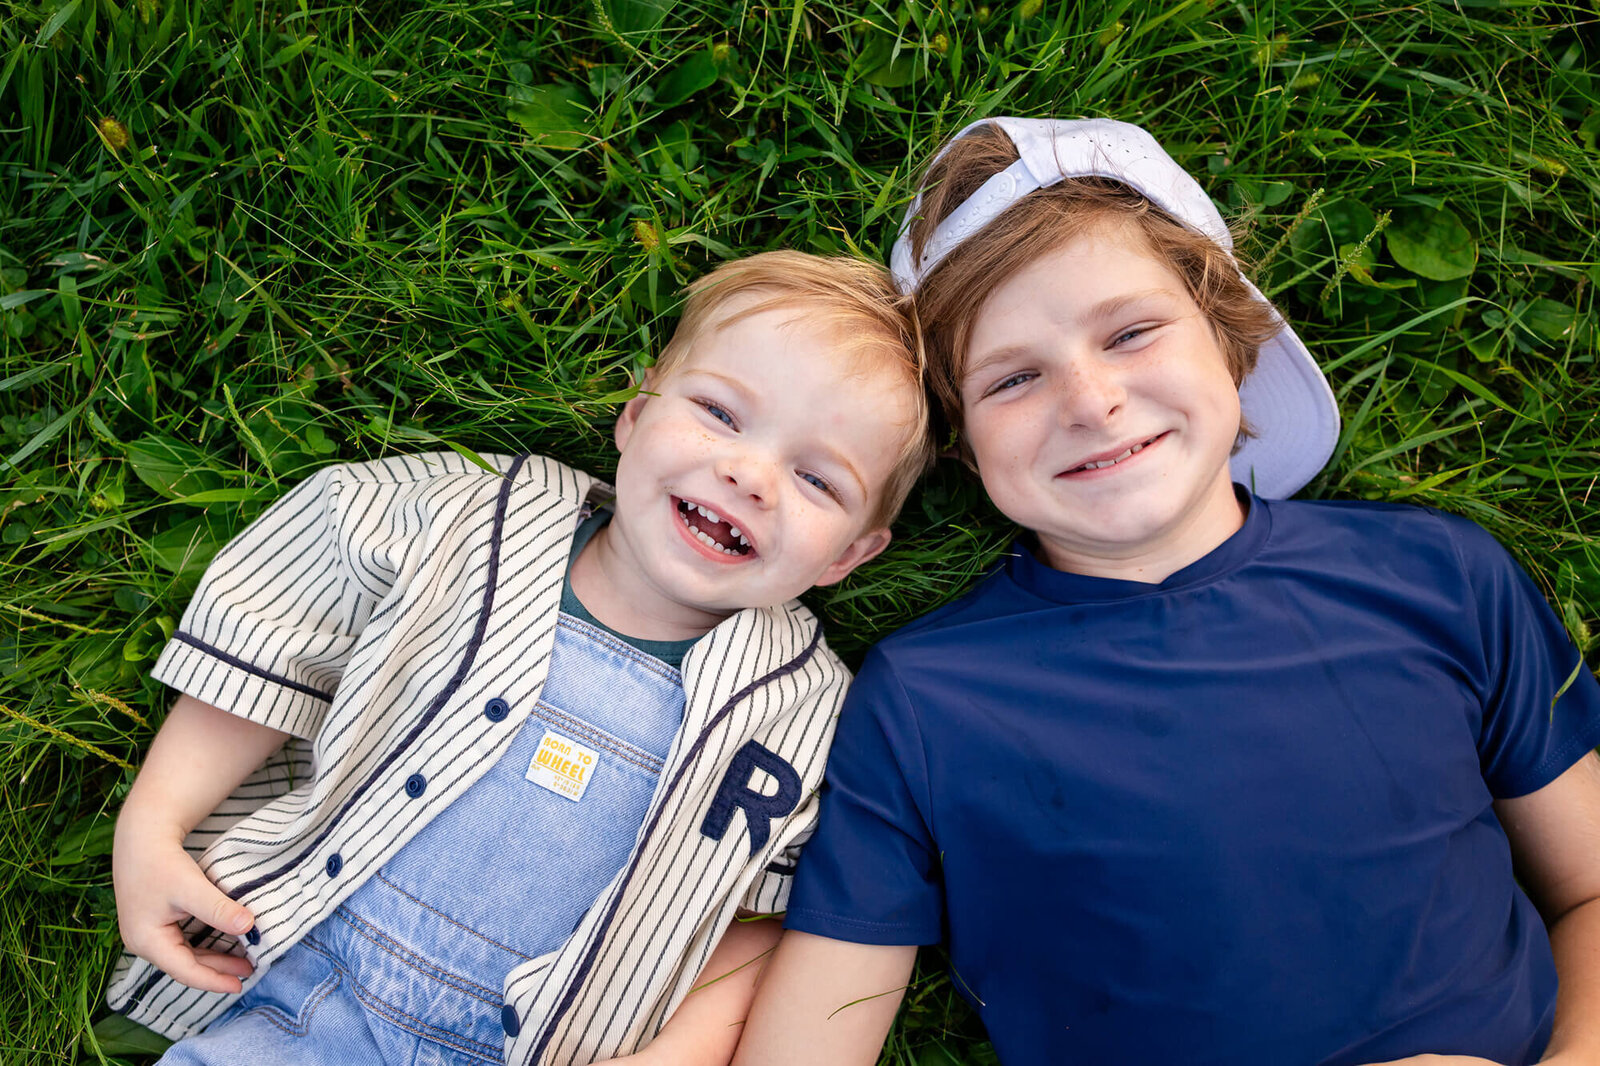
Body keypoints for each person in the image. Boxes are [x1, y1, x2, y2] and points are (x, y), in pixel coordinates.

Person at [732, 119, 1600, 1066]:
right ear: (963, 444)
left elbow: (1591, 888)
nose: (1091, 400)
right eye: (1013, 377)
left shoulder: (1438, 575)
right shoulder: (923, 696)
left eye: (1132, 333)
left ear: (1229, 337)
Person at [106, 249, 936, 1066]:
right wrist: (157, 820)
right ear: (637, 413)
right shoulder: (454, 522)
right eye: (721, 414)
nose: (750, 474)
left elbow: (757, 918)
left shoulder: (807, 714)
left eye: (818, 480)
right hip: (294, 995)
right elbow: (278, 636)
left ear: (848, 558)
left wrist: (678, 1055)